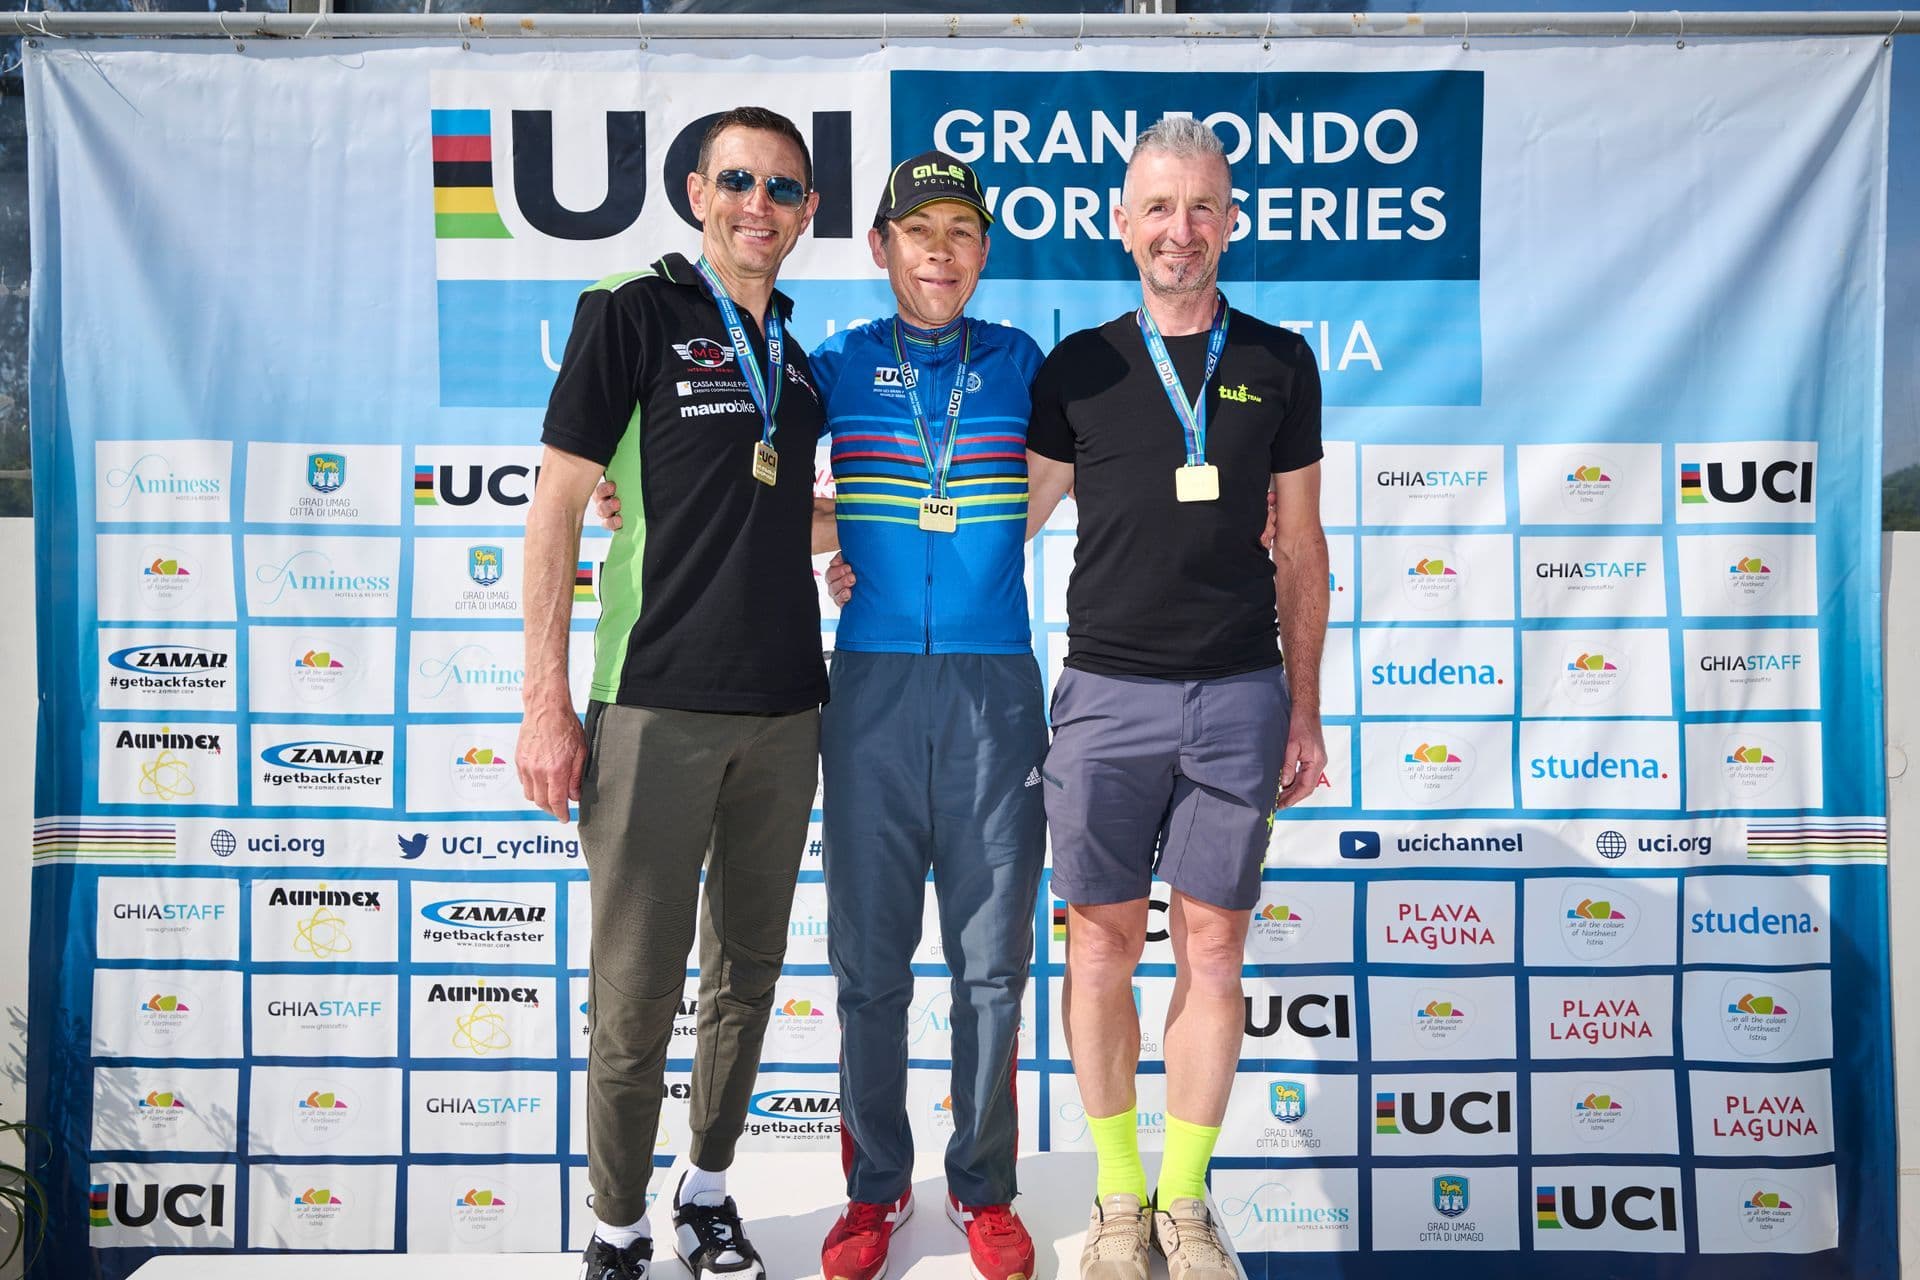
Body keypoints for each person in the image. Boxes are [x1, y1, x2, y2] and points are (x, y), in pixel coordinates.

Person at [597, 150, 1050, 1280]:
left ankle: (983, 1187)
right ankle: (877, 1188)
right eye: (918, 232)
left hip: (995, 687)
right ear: (881, 248)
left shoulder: (1024, 363)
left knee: (992, 967)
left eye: (961, 232)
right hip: (870, 690)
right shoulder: (829, 365)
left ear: (984, 252)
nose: (939, 253)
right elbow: (743, 489)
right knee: (869, 966)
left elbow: (1122, 463)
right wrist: (634, 492)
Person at [516, 106, 830, 1280]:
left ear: (807, 212)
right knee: (636, 993)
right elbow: (559, 504)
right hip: (652, 701)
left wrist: (877, 528)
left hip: (787, 710)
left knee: (746, 977)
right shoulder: (630, 310)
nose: (760, 205)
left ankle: (705, 1188)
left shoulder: (797, 358)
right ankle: (615, 1224)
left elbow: (768, 514)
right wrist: (545, 702)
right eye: (739, 180)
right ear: (698, 192)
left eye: (784, 188)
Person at [1022, 115, 1330, 1280]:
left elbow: (1302, 548)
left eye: (1202, 206)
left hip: (1240, 692)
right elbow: (1011, 520)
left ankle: (1186, 1199)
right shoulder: (1079, 368)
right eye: (1159, 206)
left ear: (1231, 221)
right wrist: (855, 550)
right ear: (1122, 222)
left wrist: (1306, 708)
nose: (1180, 230)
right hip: (1105, 694)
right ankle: (1118, 1196)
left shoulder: (1281, 362)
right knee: (1101, 946)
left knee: (1214, 948)